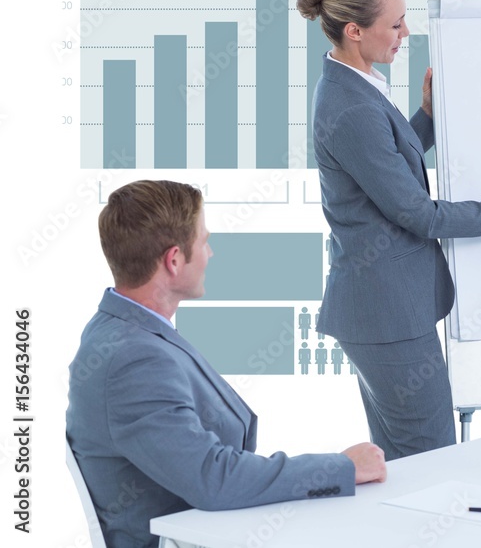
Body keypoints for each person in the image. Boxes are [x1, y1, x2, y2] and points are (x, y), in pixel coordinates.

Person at [296, 0, 481, 460]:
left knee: (406, 463)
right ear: (354, 31)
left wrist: (428, 118)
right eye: (394, 24)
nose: (405, 33)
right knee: (433, 458)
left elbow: (383, 171)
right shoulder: (349, 105)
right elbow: (417, 212)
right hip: (387, 316)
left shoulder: (357, 83)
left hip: (389, 311)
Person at [66, 180, 387, 548]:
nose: (210, 253)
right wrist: (341, 467)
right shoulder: (132, 359)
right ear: (173, 260)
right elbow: (212, 478)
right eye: (203, 241)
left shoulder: (127, 327)